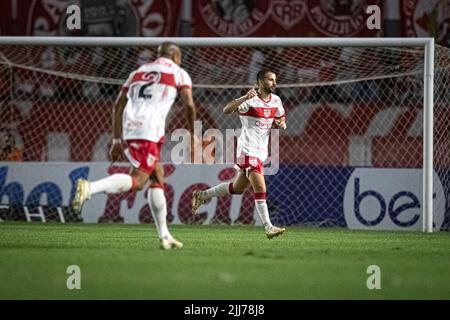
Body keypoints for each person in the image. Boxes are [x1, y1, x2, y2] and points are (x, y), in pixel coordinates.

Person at [72, 42, 197, 250]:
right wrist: (193, 133)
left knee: (157, 175)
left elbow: (118, 105)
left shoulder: (138, 72)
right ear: (175, 57)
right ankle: (90, 188)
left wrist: (116, 139)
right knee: (139, 181)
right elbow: (189, 104)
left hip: (131, 128)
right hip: (148, 131)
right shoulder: (179, 73)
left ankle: (165, 236)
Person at [192, 70, 287, 239]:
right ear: (260, 82)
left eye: (275, 80)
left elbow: (281, 119)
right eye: (270, 80)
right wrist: (244, 98)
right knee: (260, 188)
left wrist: (280, 124)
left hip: (261, 152)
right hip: (247, 150)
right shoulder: (250, 100)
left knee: (237, 188)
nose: (274, 83)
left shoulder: (276, 101)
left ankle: (202, 195)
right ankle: (268, 227)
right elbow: (226, 109)